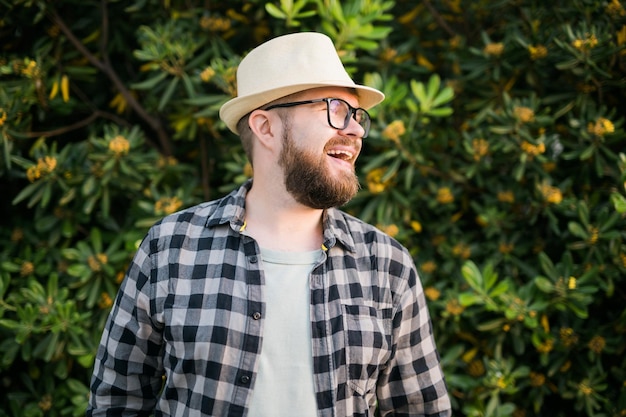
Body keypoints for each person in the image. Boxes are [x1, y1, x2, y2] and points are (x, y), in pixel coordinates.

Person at [87, 32, 452, 417]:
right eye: (336, 109)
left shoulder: (386, 263)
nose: (357, 130)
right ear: (265, 128)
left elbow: (421, 410)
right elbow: (116, 401)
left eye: (357, 115)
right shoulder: (171, 248)